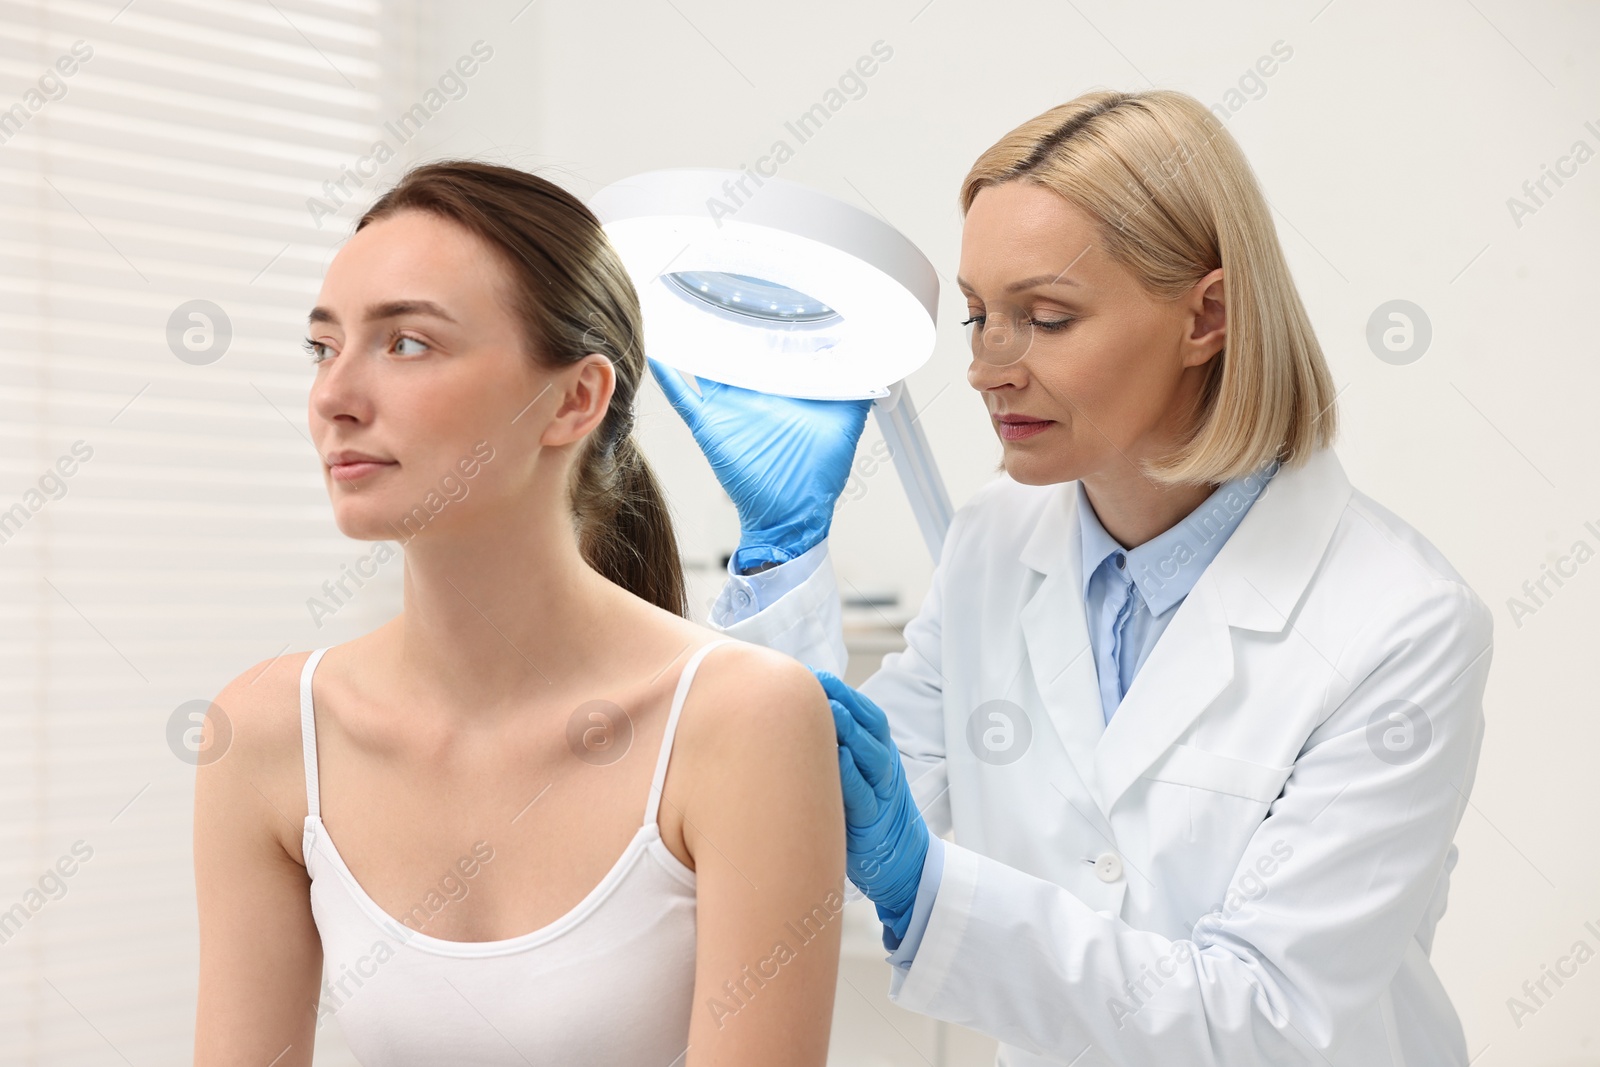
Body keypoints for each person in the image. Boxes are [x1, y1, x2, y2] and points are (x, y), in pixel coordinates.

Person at [654, 89, 1494, 1066]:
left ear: (1206, 315)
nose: (985, 368)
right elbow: (801, 859)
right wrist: (783, 554)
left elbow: (1266, 1018)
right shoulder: (993, 540)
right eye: (976, 316)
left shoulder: (1402, 623)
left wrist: (926, 886)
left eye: (1045, 317)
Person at [193, 161, 844, 1067]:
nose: (334, 397)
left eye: (407, 343)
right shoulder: (269, 730)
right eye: (323, 346)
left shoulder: (740, 719)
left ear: (575, 398)